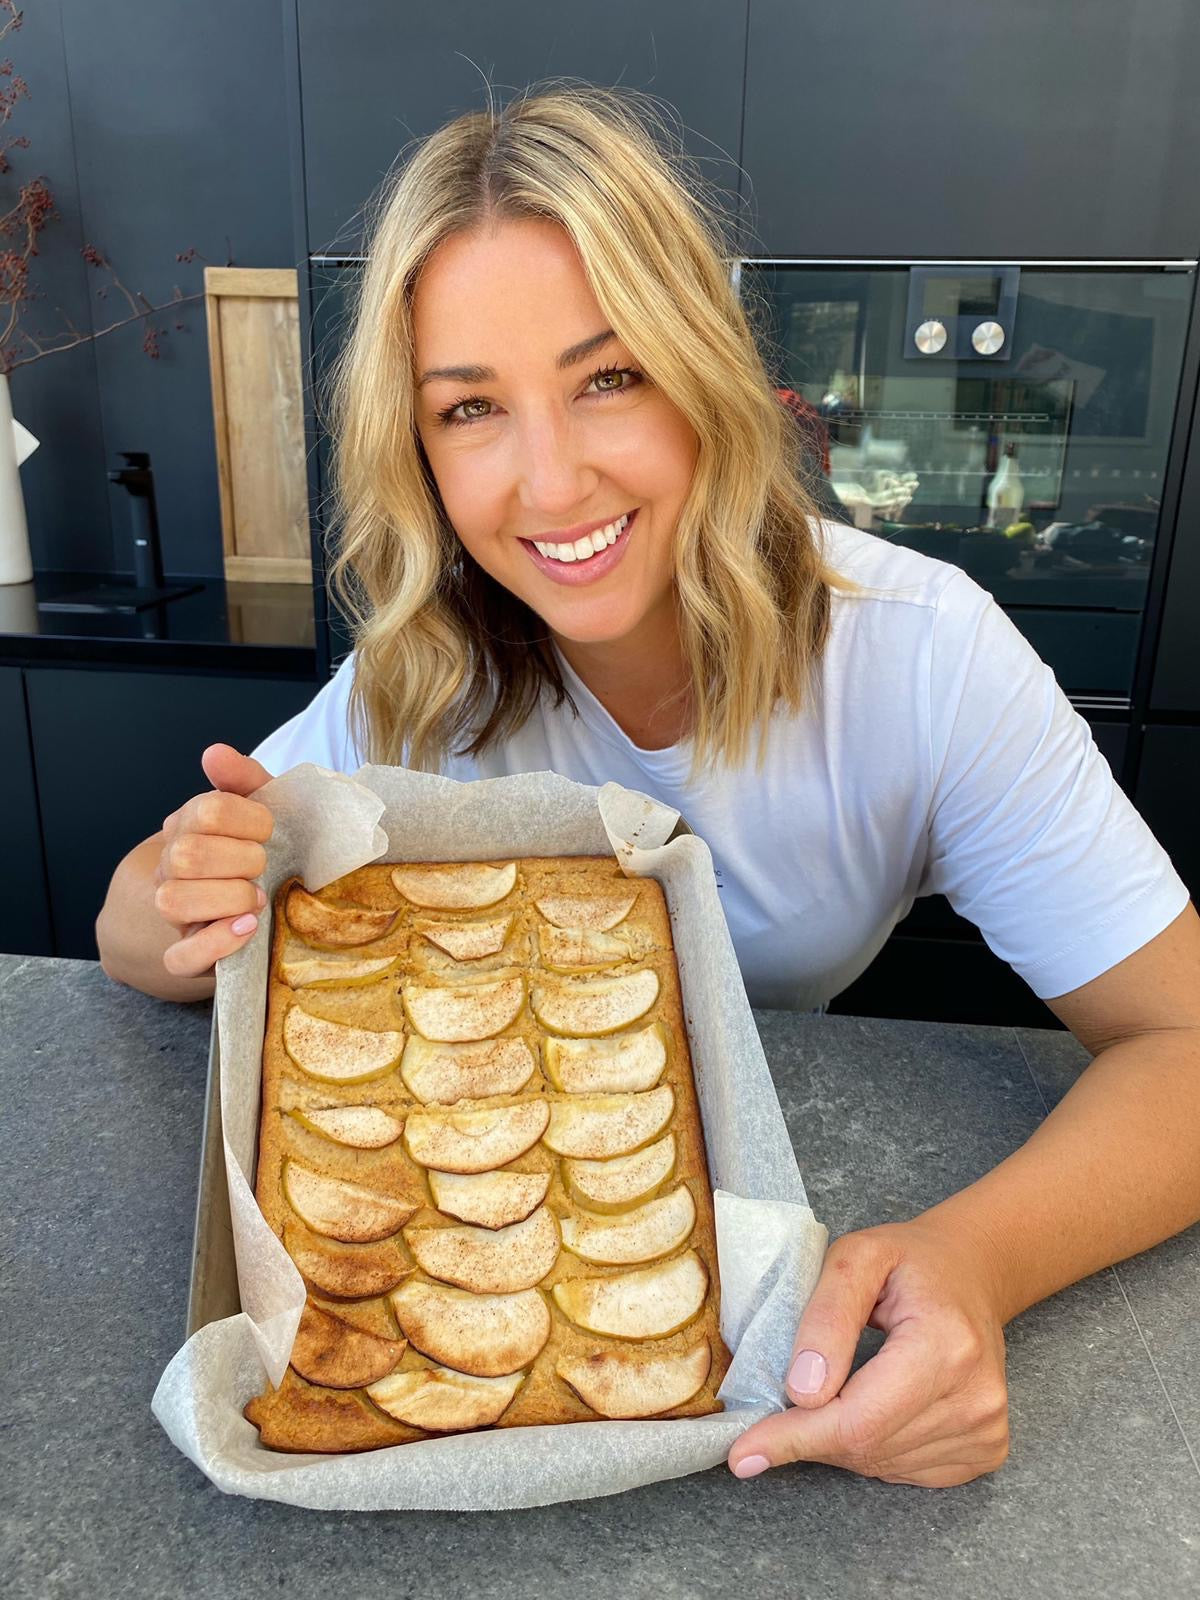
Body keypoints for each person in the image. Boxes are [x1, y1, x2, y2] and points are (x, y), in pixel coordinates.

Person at [96, 84, 1200, 1490]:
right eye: (472, 408)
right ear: (419, 454)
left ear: (702, 369)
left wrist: (975, 1263)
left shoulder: (922, 659)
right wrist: (173, 889)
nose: (551, 480)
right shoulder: (414, 683)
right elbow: (150, 924)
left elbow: (1187, 1043)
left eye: (607, 376)